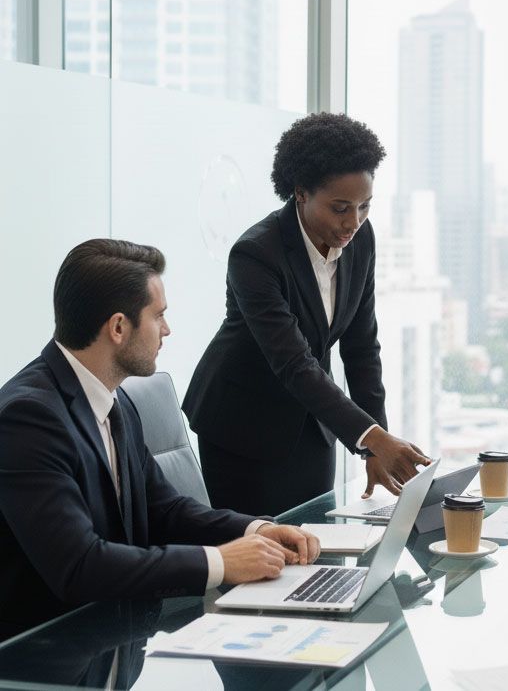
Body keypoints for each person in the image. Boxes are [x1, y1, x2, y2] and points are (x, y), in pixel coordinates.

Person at [0, 240, 321, 640]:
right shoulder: (28, 417)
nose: (167, 330)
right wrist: (219, 563)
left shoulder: (116, 400)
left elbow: (163, 508)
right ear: (118, 327)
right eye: (159, 316)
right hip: (46, 658)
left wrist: (253, 530)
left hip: (119, 644)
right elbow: (79, 566)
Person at [183, 112, 430, 516]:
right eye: (339, 208)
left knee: (317, 547)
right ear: (300, 193)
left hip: (314, 424)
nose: (353, 222)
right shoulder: (256, 255)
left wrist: (374, 444)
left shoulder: (361, 240)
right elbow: (293, 362)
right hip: (243, 428)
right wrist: (372, 437)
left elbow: (362, 348)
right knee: (259, 560)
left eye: (364, 206)